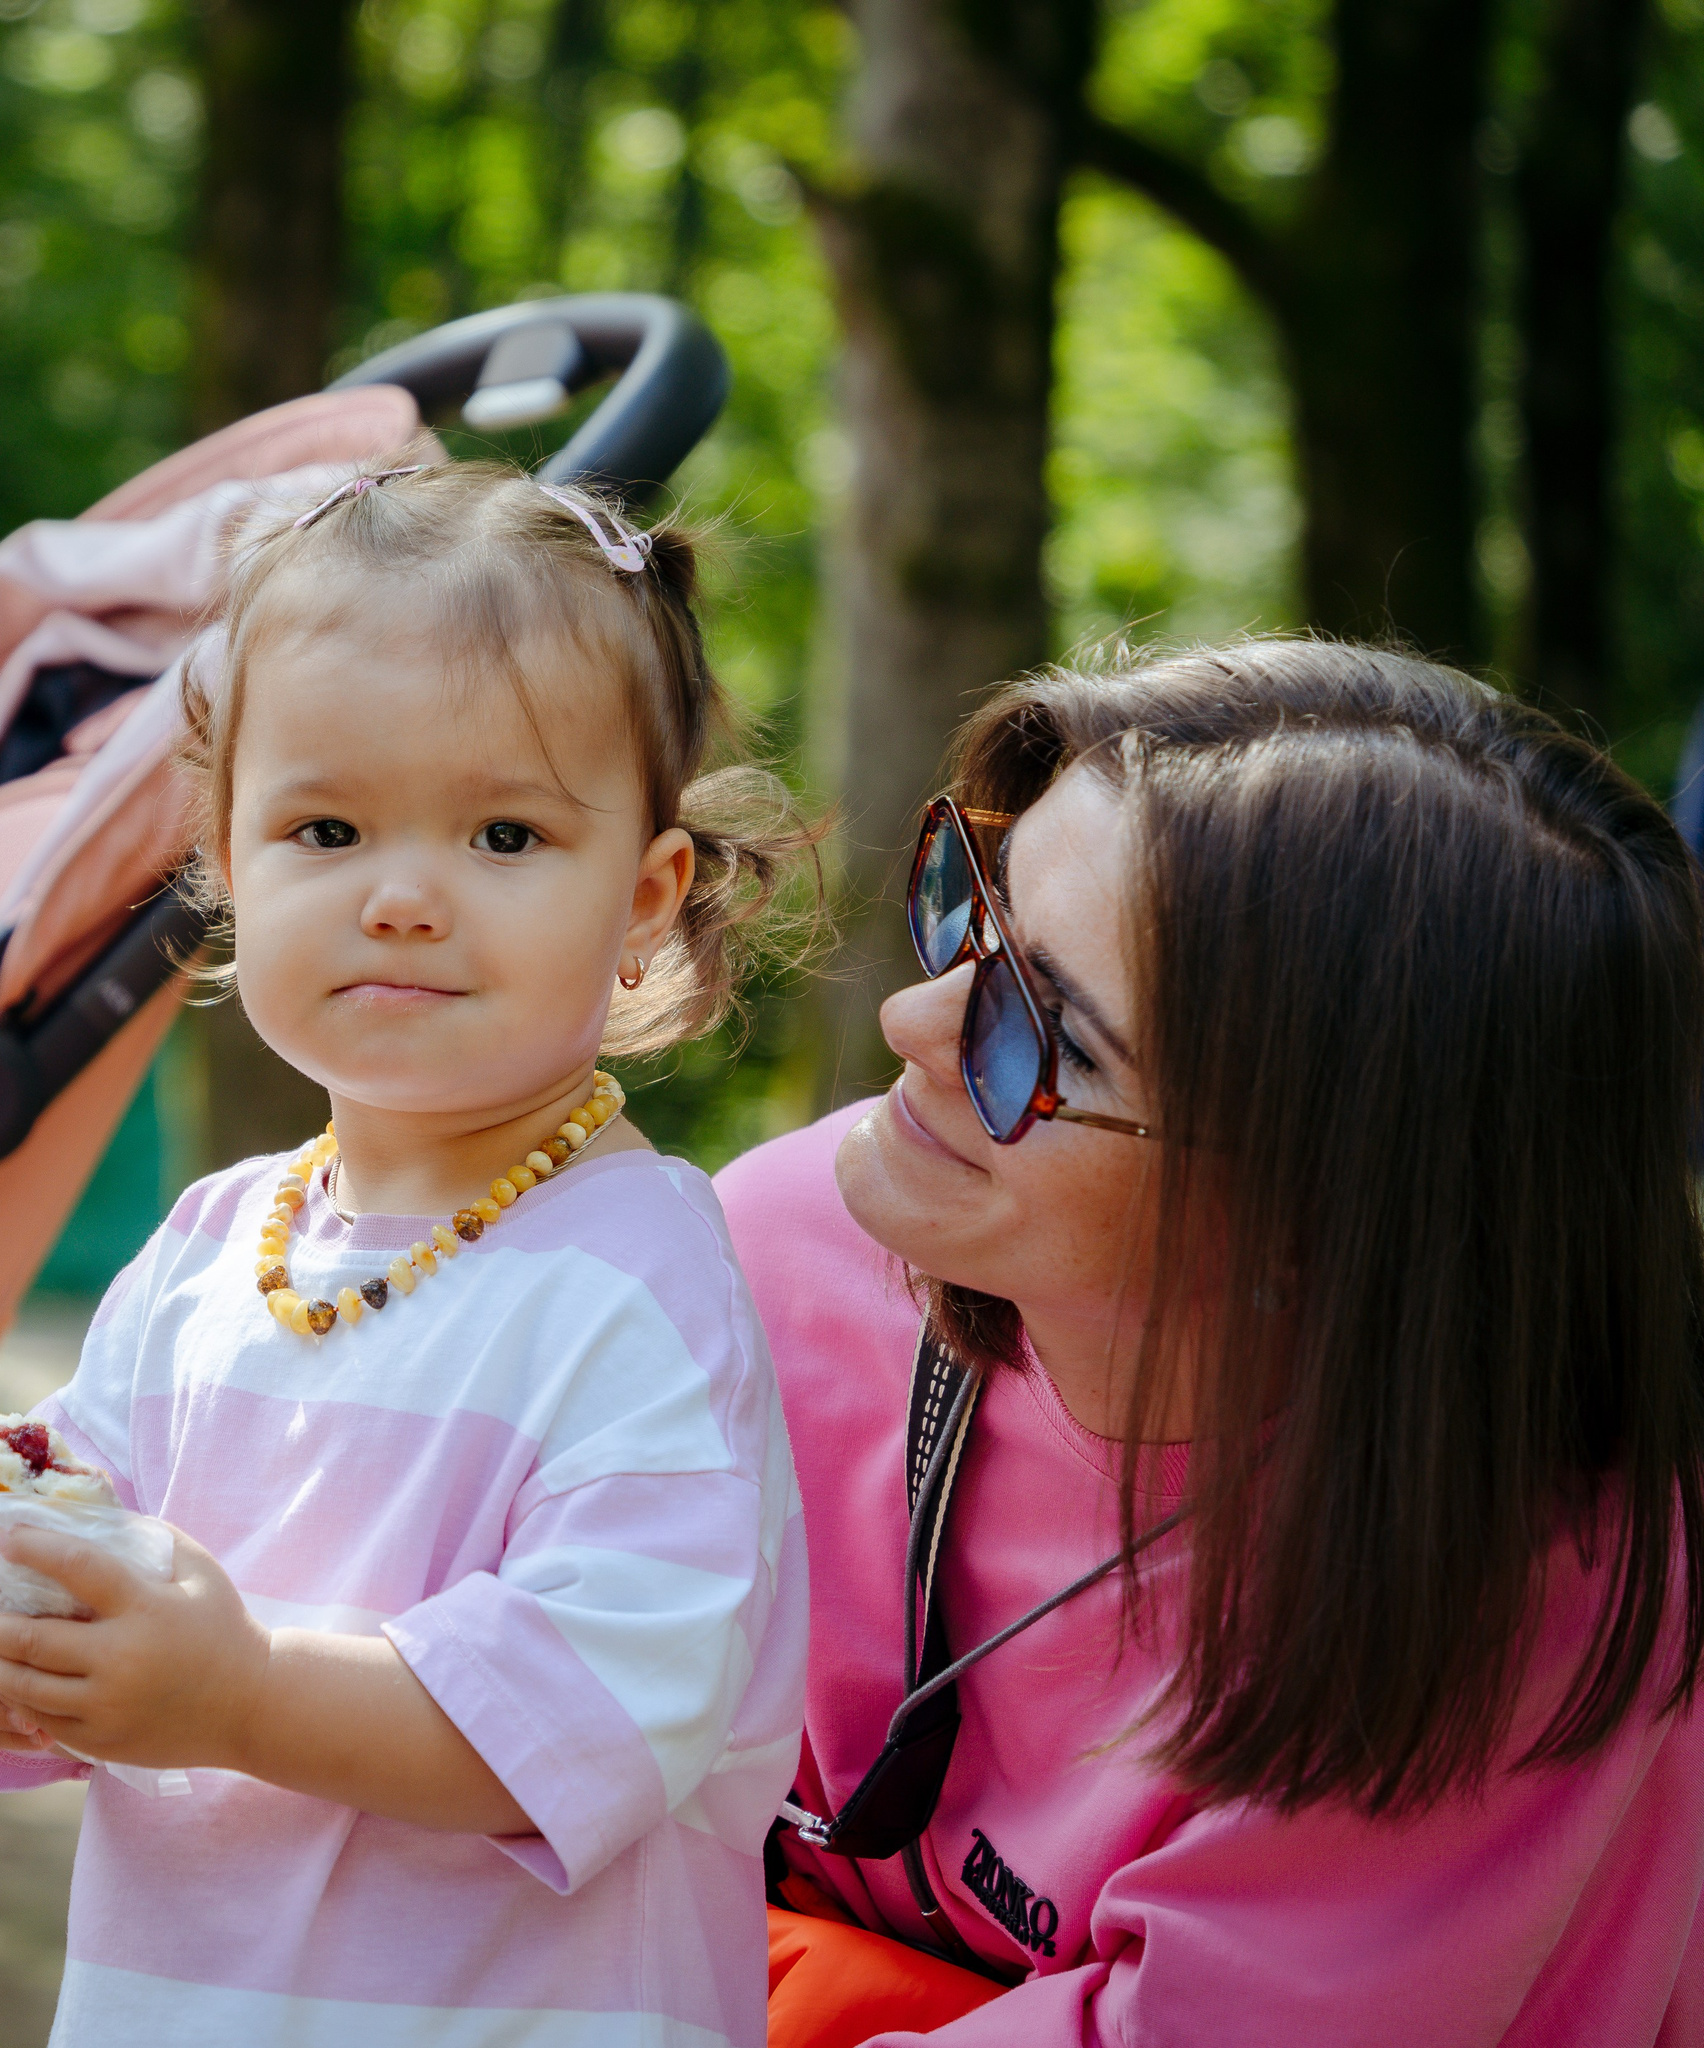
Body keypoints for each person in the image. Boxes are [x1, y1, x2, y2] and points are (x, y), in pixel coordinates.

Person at [0, 460, 812, 2045]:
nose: (403, 897)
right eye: (327, 826)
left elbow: (596, 1714)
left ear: (645, 897)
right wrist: (24, 1632)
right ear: (226, 858)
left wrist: (236, 1693)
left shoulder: (637, 1284)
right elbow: (118, 1615)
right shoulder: (210, 1250)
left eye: (503, 834)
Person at [718, 640, 1704, 2045]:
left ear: (1319, 1219)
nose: (910, 1019)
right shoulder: (781, 1252)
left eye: (1043, 1038)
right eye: (968, 912)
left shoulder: (1514, 1579)